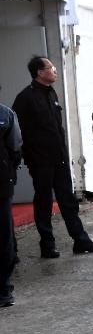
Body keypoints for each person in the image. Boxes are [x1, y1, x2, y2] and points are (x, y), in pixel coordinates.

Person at [12, 57, 93, 258]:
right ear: (39, 72)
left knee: (68, 200)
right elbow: (18, 132)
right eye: (50, 68)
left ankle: (81, 240)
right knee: (44, 201)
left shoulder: (51, 93)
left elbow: (56, 128)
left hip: (58, 158)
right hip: (40, 160)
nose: (54, 70)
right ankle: (47, 245)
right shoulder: (25, 98)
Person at [0, 91, 22, 308]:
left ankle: (4, 287)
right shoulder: (5, 114)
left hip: (1, 184)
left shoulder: (5, 114)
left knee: (4, 235)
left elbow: (15, 148)